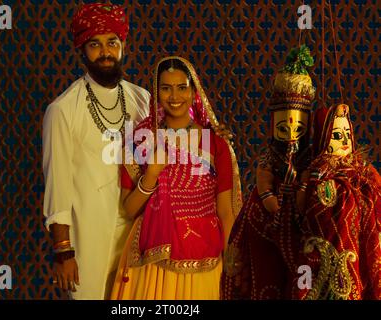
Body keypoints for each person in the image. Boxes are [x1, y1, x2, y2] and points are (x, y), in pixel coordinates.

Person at [110, 56, 243, 300]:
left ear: (194, 93)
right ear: (156, 93)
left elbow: (225, 211)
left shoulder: (216, 143)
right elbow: (129, 209)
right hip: (154, 261)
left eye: (182, 87)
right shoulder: (141, 141)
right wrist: (151, 175)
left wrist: (232, 263)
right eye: (166, 88)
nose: (174, 96)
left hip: (206, 256)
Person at [42, 3, 150, 300]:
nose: (105, 52)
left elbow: (175, 147)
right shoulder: (63, 110)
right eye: (95, 44)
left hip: (139, 234)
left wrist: (212, 135)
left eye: (112, 43)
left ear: (123, 46)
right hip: (90, 236)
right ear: (82, 50)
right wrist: (63, 252)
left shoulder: (142, 99)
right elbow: (57, 187)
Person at [222, 45, 316, 299]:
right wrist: (276, 209)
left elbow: (307, 182)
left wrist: (298, 205)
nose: (293, 130)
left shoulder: (309, 155)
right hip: (268, 216)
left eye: (300, 123)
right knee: (265, 274)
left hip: (299, 217)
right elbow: (264, 185)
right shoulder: (269, 155)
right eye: (285, 124)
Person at [292, 103, 381, 299]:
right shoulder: (315, 172)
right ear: (323, 139)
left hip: (355, 246)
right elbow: (300, 207)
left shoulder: (363, 172)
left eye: (348, 133)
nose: (345, 140)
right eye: (337, 135)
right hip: (317, 248)